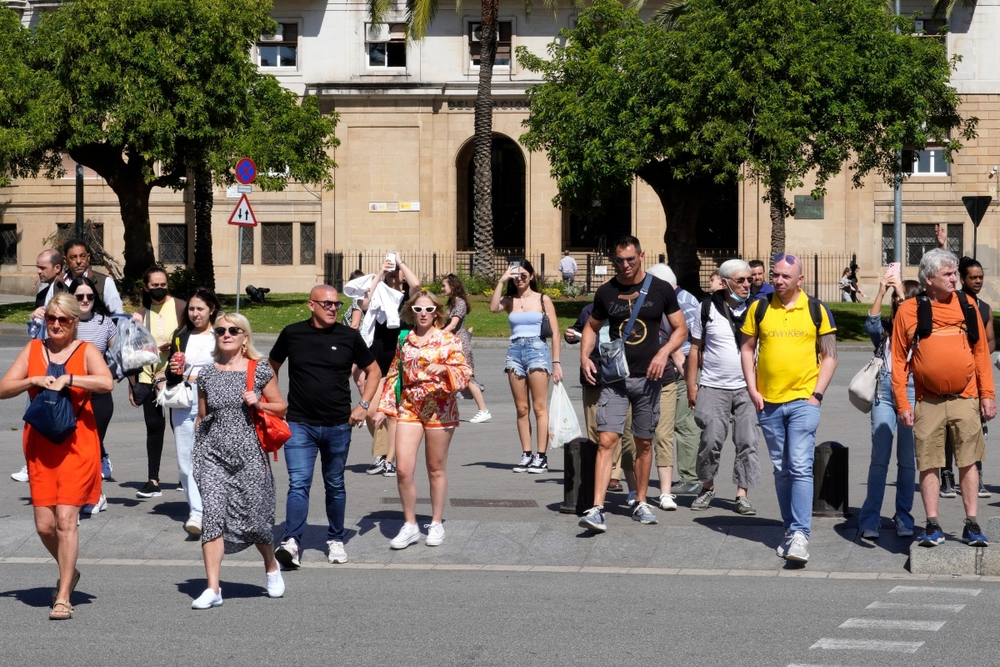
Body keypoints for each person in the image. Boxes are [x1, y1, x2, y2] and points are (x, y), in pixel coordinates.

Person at [0, 293, 114, 620]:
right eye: (51, 318)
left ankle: (64, 594)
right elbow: (4, 387)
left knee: (66, 520)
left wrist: (71, 378)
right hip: (40, 445)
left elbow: (106, 382)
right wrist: (32, 380)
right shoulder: (34, 349)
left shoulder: (86, 350)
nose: (56, 325)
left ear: (75, 322)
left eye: (64, 319)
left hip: (78, 444)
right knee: (44, 525)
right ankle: (70, 570)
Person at [578, 236, 687, 532]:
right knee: (607, 440)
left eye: (630, 259)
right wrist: (585, 356)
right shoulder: (606, 292)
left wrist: (664, 353)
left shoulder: (660, 289)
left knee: (644, 442)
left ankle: (641, 501)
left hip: (649, 380)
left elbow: (681, 329)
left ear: (641, 256)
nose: (624, 265)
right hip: (615, 379)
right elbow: (591, 326)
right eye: (619, 260)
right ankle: (597, 507)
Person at [270, 285, 381, 567]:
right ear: (311, 305)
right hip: (299, 424)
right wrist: (276, 403)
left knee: (335, 484)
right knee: (298, 484)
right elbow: (270, 367)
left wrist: (363, 405)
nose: (333, 309)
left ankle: (335, 539)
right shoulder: (292, 333)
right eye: (327, 304)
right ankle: (291, 541)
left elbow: (374, 370)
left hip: (337, 425)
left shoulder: (348, 336)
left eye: (337, 305)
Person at [892, 249, 996, 548]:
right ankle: (933, 524)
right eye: (948, 275)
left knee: (969, 462)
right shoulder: (909, 310)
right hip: (928, 400)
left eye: (954, 273)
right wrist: (902, 402)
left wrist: (987, 396)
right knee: (929, 463)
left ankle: (972, 524)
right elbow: (898, 360)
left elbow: (980, 355)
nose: (955, 279)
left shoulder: (967, 305)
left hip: (966, 398)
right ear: (928, 280)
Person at [741, 254, 837, 563]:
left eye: (785, 276)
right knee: (782, 469)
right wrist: (753, 388)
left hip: (803, 401)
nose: (779, 281)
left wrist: (817, 395)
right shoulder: (759, 307)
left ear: (800, 279)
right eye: (776, 275)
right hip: (768, 402)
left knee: (799, 465)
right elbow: (746, 348)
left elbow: (830, 355)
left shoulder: (816, 309)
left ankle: (801, 535)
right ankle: (790, 528)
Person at [189, 312, 288, 609]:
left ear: (245, 337)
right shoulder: (207, 373)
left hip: (249, 454)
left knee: (256, 519)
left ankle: (271, 564)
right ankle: (213, 588)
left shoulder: (258, 370)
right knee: (212, 517)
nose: (226, 334)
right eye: (221, 330)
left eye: (234, 330)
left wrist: (259, 403)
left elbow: (281, 407)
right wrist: (198, 446)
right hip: (213, 455)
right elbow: (203, 416)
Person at [375, 291, 471, 548]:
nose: (424, 314)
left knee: (435, 468)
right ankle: (409, 525)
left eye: (429, 310)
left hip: (440, 407)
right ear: (411, 312)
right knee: (404, 468)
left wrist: (446, 369)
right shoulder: (404, 339)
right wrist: (383, 408)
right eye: (418, 310)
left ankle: (436, 522)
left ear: (437, 312)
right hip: (409, 406)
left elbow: (464, 373)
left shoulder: (447, 339)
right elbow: (394, 373)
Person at [686, 259, 761, 514]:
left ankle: (742, 494)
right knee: (710, 440)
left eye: (749, 280)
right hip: (713, 385)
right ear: (725, 282)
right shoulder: (706, 307)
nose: (746, 284)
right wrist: (691, 385)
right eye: (740, 280)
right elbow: (695, 348)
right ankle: (707, 488)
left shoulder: (758, 307)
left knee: (748, 441)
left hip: (748, 387)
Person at [859, 275, 920, 540]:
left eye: (902, 296)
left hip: (912, 391)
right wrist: (882, 292)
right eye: (896, 298)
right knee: (879, 459)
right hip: (884, 392)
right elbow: (870, 324)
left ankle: (903, 517)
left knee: (907, 461)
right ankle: (870, 519)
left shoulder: (920, 327)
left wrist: (902, 294)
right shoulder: (885, 329)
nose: (898, 301)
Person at [490, 259, 563, 473]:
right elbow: (493, 308)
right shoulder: (510, 300)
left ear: (531, 276)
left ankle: (541, 456)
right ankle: (526, 453)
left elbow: (556, 333)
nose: (520, 279)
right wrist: (502, 280)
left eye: (524, 275)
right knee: (522, 408)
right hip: (515, 351)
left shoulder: (543, 299)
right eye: (516, 276)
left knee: (539, 407)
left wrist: (556, 362)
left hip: (537, 350)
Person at [164, 287, 223, 536]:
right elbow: (170, 372)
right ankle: (197, 513)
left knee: (215, 459)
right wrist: (173, 370)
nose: (195, 314)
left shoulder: (222, 334)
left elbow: (229, 368)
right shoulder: (181, 335)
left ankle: (216, 509)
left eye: (200, 309)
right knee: (186, 461)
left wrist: (197, 376)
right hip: (185, 401)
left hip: (214, 402)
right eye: (191, 309)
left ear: (211, 310)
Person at [358, 254, 420, 477]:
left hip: (399, 357)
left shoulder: (407, 299)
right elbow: (364, 302)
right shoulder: (379, 295)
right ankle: (383, 453)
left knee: (392, 413)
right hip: (376, 355)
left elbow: (418, 286)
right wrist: (380, 273)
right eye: (391, 269)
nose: (394, 272)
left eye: (397, 270)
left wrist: (402, 262)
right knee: (371, 411)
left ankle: (389, 460)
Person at [939, 256, 995, 499]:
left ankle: (976, 474)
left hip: (975, 376)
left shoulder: (984, 308)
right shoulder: (953, 303)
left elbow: (990, 340)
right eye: (973, 277)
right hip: (951, 377)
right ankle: (947, 475)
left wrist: (979, 356)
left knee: (974, 428)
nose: (978, 281)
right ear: (962, 279)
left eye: (981, 277)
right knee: (947, 427)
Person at [565, 303, 635, 498]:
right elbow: (577, 330)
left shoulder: (624, 310)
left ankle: (614, 474)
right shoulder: (588, 310)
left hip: (618, 371)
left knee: (616, 426)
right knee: (595, 425)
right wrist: (569, 335)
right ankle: (598, 468)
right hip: (593, 374)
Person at [12, 250, 68, 483]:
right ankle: (32, 463)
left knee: (62, 415)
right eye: (37, 266)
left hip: (62, 360)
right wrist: (33, 318)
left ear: (57, 268)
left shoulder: (67, 291)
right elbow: (35, 333)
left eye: (42, 267)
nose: (38, 271)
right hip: (41, 357)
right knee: (34, 413)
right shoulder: (43, 293)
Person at [130, 267, 186, 499]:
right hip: (148, 377)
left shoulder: (182, 307)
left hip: (176, 375)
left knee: (181, 428)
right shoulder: (141, 313)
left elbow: (192, 336)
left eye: (163, 284)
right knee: (154, 427)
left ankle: (186, 476)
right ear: (146, 287)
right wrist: (133, 385)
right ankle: (153, 480)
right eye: (155, 285)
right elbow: (131, 351)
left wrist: (173, 345)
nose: (160, 289)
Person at [648, 264, 702, 501]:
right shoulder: (673, 298)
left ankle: (690, 479)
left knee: (684, 423)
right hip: (674, 365)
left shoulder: (685, 301)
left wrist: (688, 374)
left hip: (683, 369)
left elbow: (695, 339)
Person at [70, 276, 118, 513]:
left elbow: (120, 355)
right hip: (70, 395)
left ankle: (96, 494)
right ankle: (81, 494)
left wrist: (133, 382)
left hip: (98, 395)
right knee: (74, 448)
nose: (86, 300)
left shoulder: (105, 323)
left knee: (93, 447)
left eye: (90, 296)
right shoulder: (65, 322)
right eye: (80, 296)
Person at [441, 273, 491, 423]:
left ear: (453, 286)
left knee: (466, 377)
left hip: (460, 344)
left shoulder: (460, 302)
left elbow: (453, 324)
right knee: (450, 376)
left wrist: (437, 335)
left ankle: (483, 410)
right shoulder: (452, 302)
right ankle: (448, 410)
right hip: (452, 343)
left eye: (444, 285)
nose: (442, 288)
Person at [61, 238, 123, 314]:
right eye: (73, 257)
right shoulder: (58, 283)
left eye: (82, 256)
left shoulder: (104, 282)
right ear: (65, 260)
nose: (79, 261)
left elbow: (117, 314)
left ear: (88, 257)